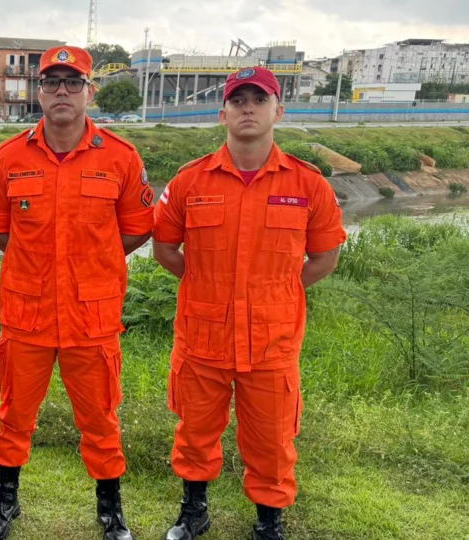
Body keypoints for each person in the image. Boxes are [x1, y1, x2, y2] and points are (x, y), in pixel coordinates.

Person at [152, 66, 347, 540]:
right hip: (204, 337)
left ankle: (268, 523)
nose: (247, 108)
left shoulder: (308, 185)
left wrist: (277, 290)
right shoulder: (189, 181)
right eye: (238, 100)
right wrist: (205, 283)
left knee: (272, 441)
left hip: (272, 341)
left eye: (259, 100)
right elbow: (165, 249)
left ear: (279, 110)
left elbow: (325, 257)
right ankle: (193, 512)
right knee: (195, 432)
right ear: (222, 114)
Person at [0, 46, 154, 540]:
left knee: (100, 418)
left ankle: (110, 511)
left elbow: (138, 228)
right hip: (26, 313)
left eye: (72, 82)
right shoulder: (8, 156)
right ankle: (4, 503)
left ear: (89, 92)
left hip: (91, 317)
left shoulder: (120, 157)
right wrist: (37, 261)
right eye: (52, 82)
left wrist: (93, 260)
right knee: (14, 416)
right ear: (38, 92)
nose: (62, 91)